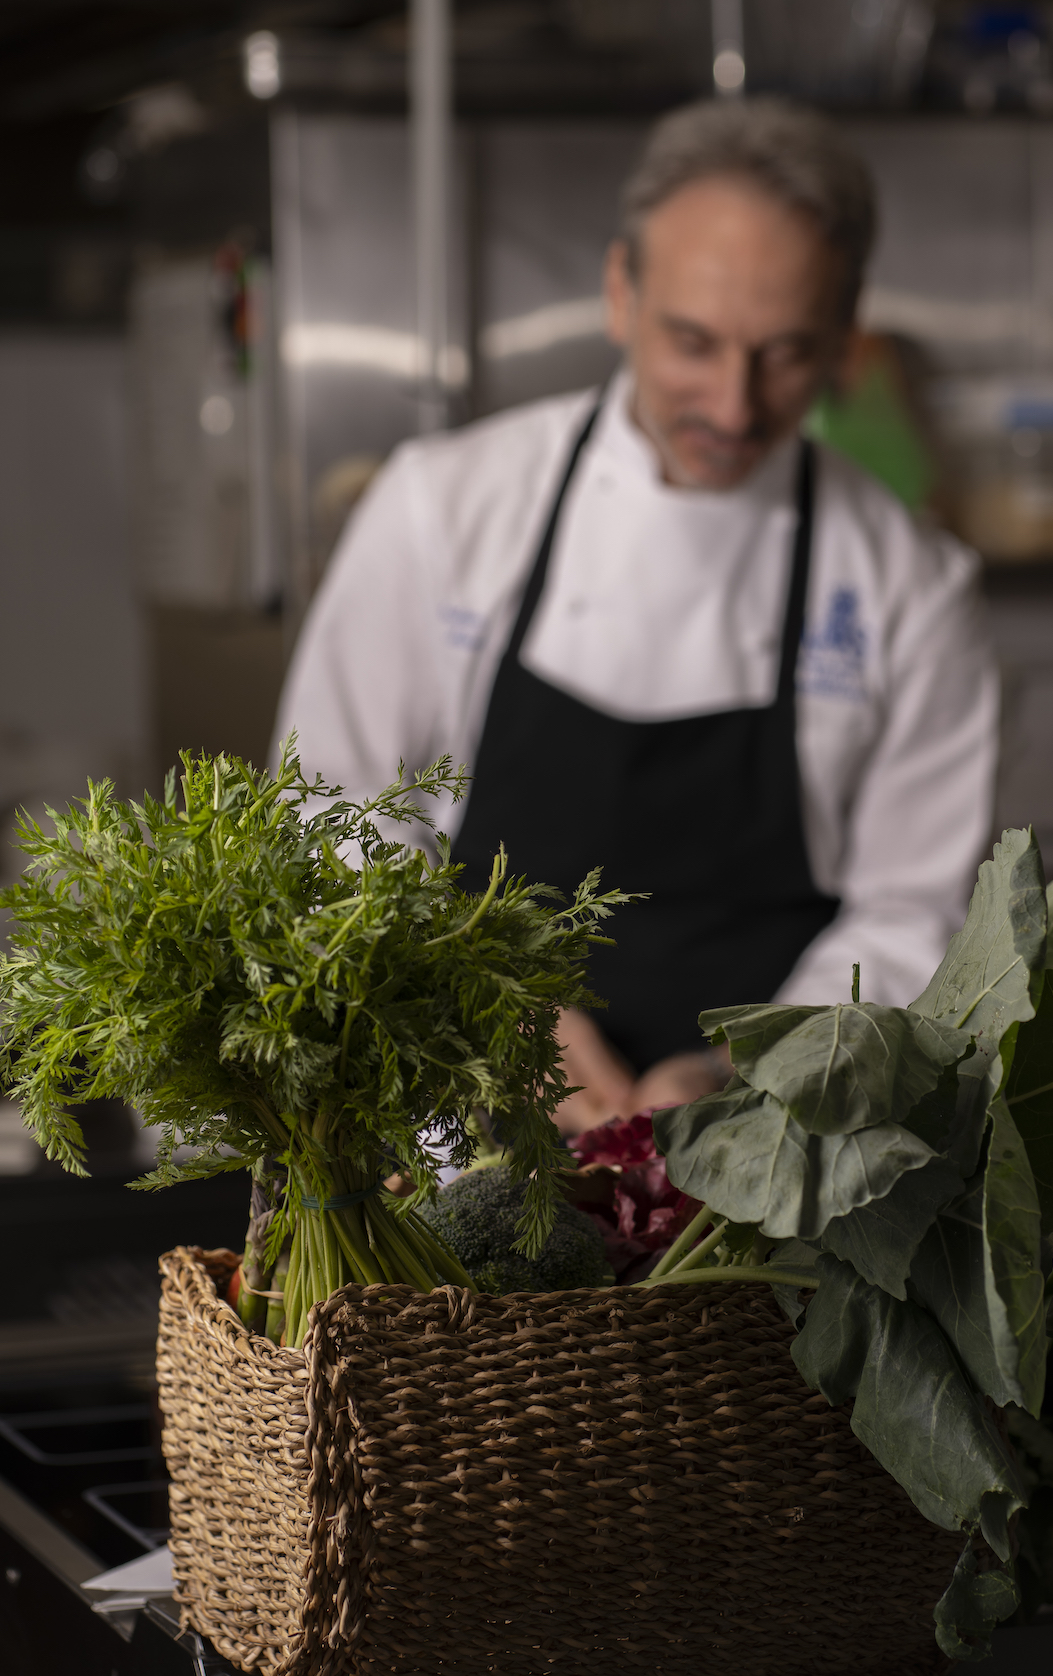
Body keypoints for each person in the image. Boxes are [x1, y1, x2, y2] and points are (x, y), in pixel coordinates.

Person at [275, 98, 998, 1133]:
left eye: (786, 354)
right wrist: (479, 1007)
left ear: (845, 335)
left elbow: (913, 915)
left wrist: (744, 1077)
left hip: (763, 1161)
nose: (734, 405)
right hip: (451, 1132)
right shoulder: (443, 510)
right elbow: (326, 815)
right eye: (693, 343)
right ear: (621, 294)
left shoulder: (909, 586)